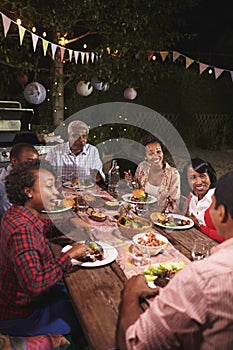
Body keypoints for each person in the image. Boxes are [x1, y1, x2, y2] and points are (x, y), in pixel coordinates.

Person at [117, 170, 233, 349]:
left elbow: (133, 345)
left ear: (222, 214)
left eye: (213, 206)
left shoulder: (205, 277)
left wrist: (130, 294)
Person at [0, 159, 92, 346]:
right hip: (21, 315)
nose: (56, 192)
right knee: (87, 315)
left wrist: (69, 223)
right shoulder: (22, 231)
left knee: (77, 295)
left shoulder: (17, 214)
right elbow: (34, 283)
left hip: (19, 301)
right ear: (29, 192)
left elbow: (43, 227)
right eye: (49, 186)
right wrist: (70, 255)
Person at [124, 136, 180, 211]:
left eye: (158, 152)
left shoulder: (173, 174)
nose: (155, 156)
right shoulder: (142, 167)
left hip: (161, 216)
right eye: (150, 154)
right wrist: (131, 180)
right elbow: (137, 190)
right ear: (145, 156)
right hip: (140, 210)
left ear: (162, 152)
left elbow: (174, 205)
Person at [45, 120, 105, 186]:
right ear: (68, 136)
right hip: (60, 191)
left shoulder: (92, 151)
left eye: (84, 136)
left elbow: (99, 178)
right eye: (76, 136)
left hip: (87, 192)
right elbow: (45, 176)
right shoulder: (55, 151)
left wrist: (97, 177)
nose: (80, 140)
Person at [182, 157, 224, 243]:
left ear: (210, 176)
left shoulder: (219, 200)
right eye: (193, 178)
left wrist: (199, 227)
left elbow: (226, 236)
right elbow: (189, 219)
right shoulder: (192, 197)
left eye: (202, 176)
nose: (199, 182)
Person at [0, 143, 39, 221]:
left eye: (36, 162)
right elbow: (10, 213)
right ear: (14, 161)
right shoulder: (5, 184)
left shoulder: (24, 175)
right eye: (30, 161)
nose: (34, 165)